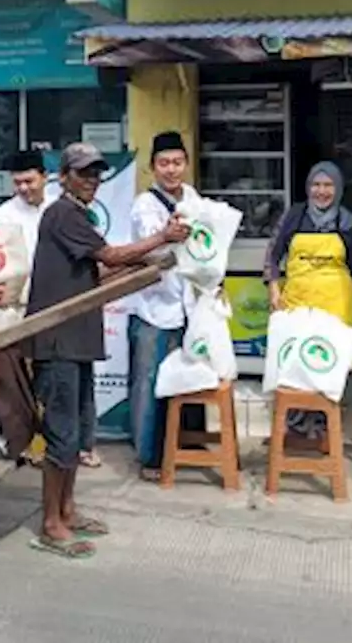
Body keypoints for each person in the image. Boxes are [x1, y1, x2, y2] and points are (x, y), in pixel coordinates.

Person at [26, 142, 188, 560]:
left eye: (97, 173)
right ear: (64, 177)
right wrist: (159, 238)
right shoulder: (62, 213)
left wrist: (146, 260)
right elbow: (111, 254)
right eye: (83, 174)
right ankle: (50, 524)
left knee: (79, 432)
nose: (92, 181)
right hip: (58, 341)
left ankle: (67, 509)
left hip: (77, 340)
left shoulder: (78, 216)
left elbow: (100, 268)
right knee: (62, 433)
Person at [0, 150, 101, 469]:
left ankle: (81, 446)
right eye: (17, 183)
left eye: (29, 180)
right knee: (33, 383)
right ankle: (34, 446)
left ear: (45, 177)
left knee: (76, 380)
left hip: (62, 306)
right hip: (21, 306)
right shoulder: (4, 215)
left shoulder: (62, 206)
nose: (24, 188)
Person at [263, 161, 352, 439]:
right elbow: (273, 252)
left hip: (335, 302)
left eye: (328, 185)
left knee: (325, 363)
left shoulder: (348, 222)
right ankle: (291, 427)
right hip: (296, 300)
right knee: (292, 363)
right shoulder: (294, 216)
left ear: (338, 188)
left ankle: (323, 428)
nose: (321, 191)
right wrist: (273, 287)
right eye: (316, 185)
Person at [127, 130, 204, 481]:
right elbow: (154, 251)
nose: (171, 170)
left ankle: (187, 443)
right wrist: (167, 238)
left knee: (189, 375)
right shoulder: (145, 205)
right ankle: (149, 456)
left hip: (189, 302)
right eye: (163, 163)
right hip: (154, 307)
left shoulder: (193, 198)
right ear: (152, 167)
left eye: (177, 162)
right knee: (150, 381)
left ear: (186, 164)